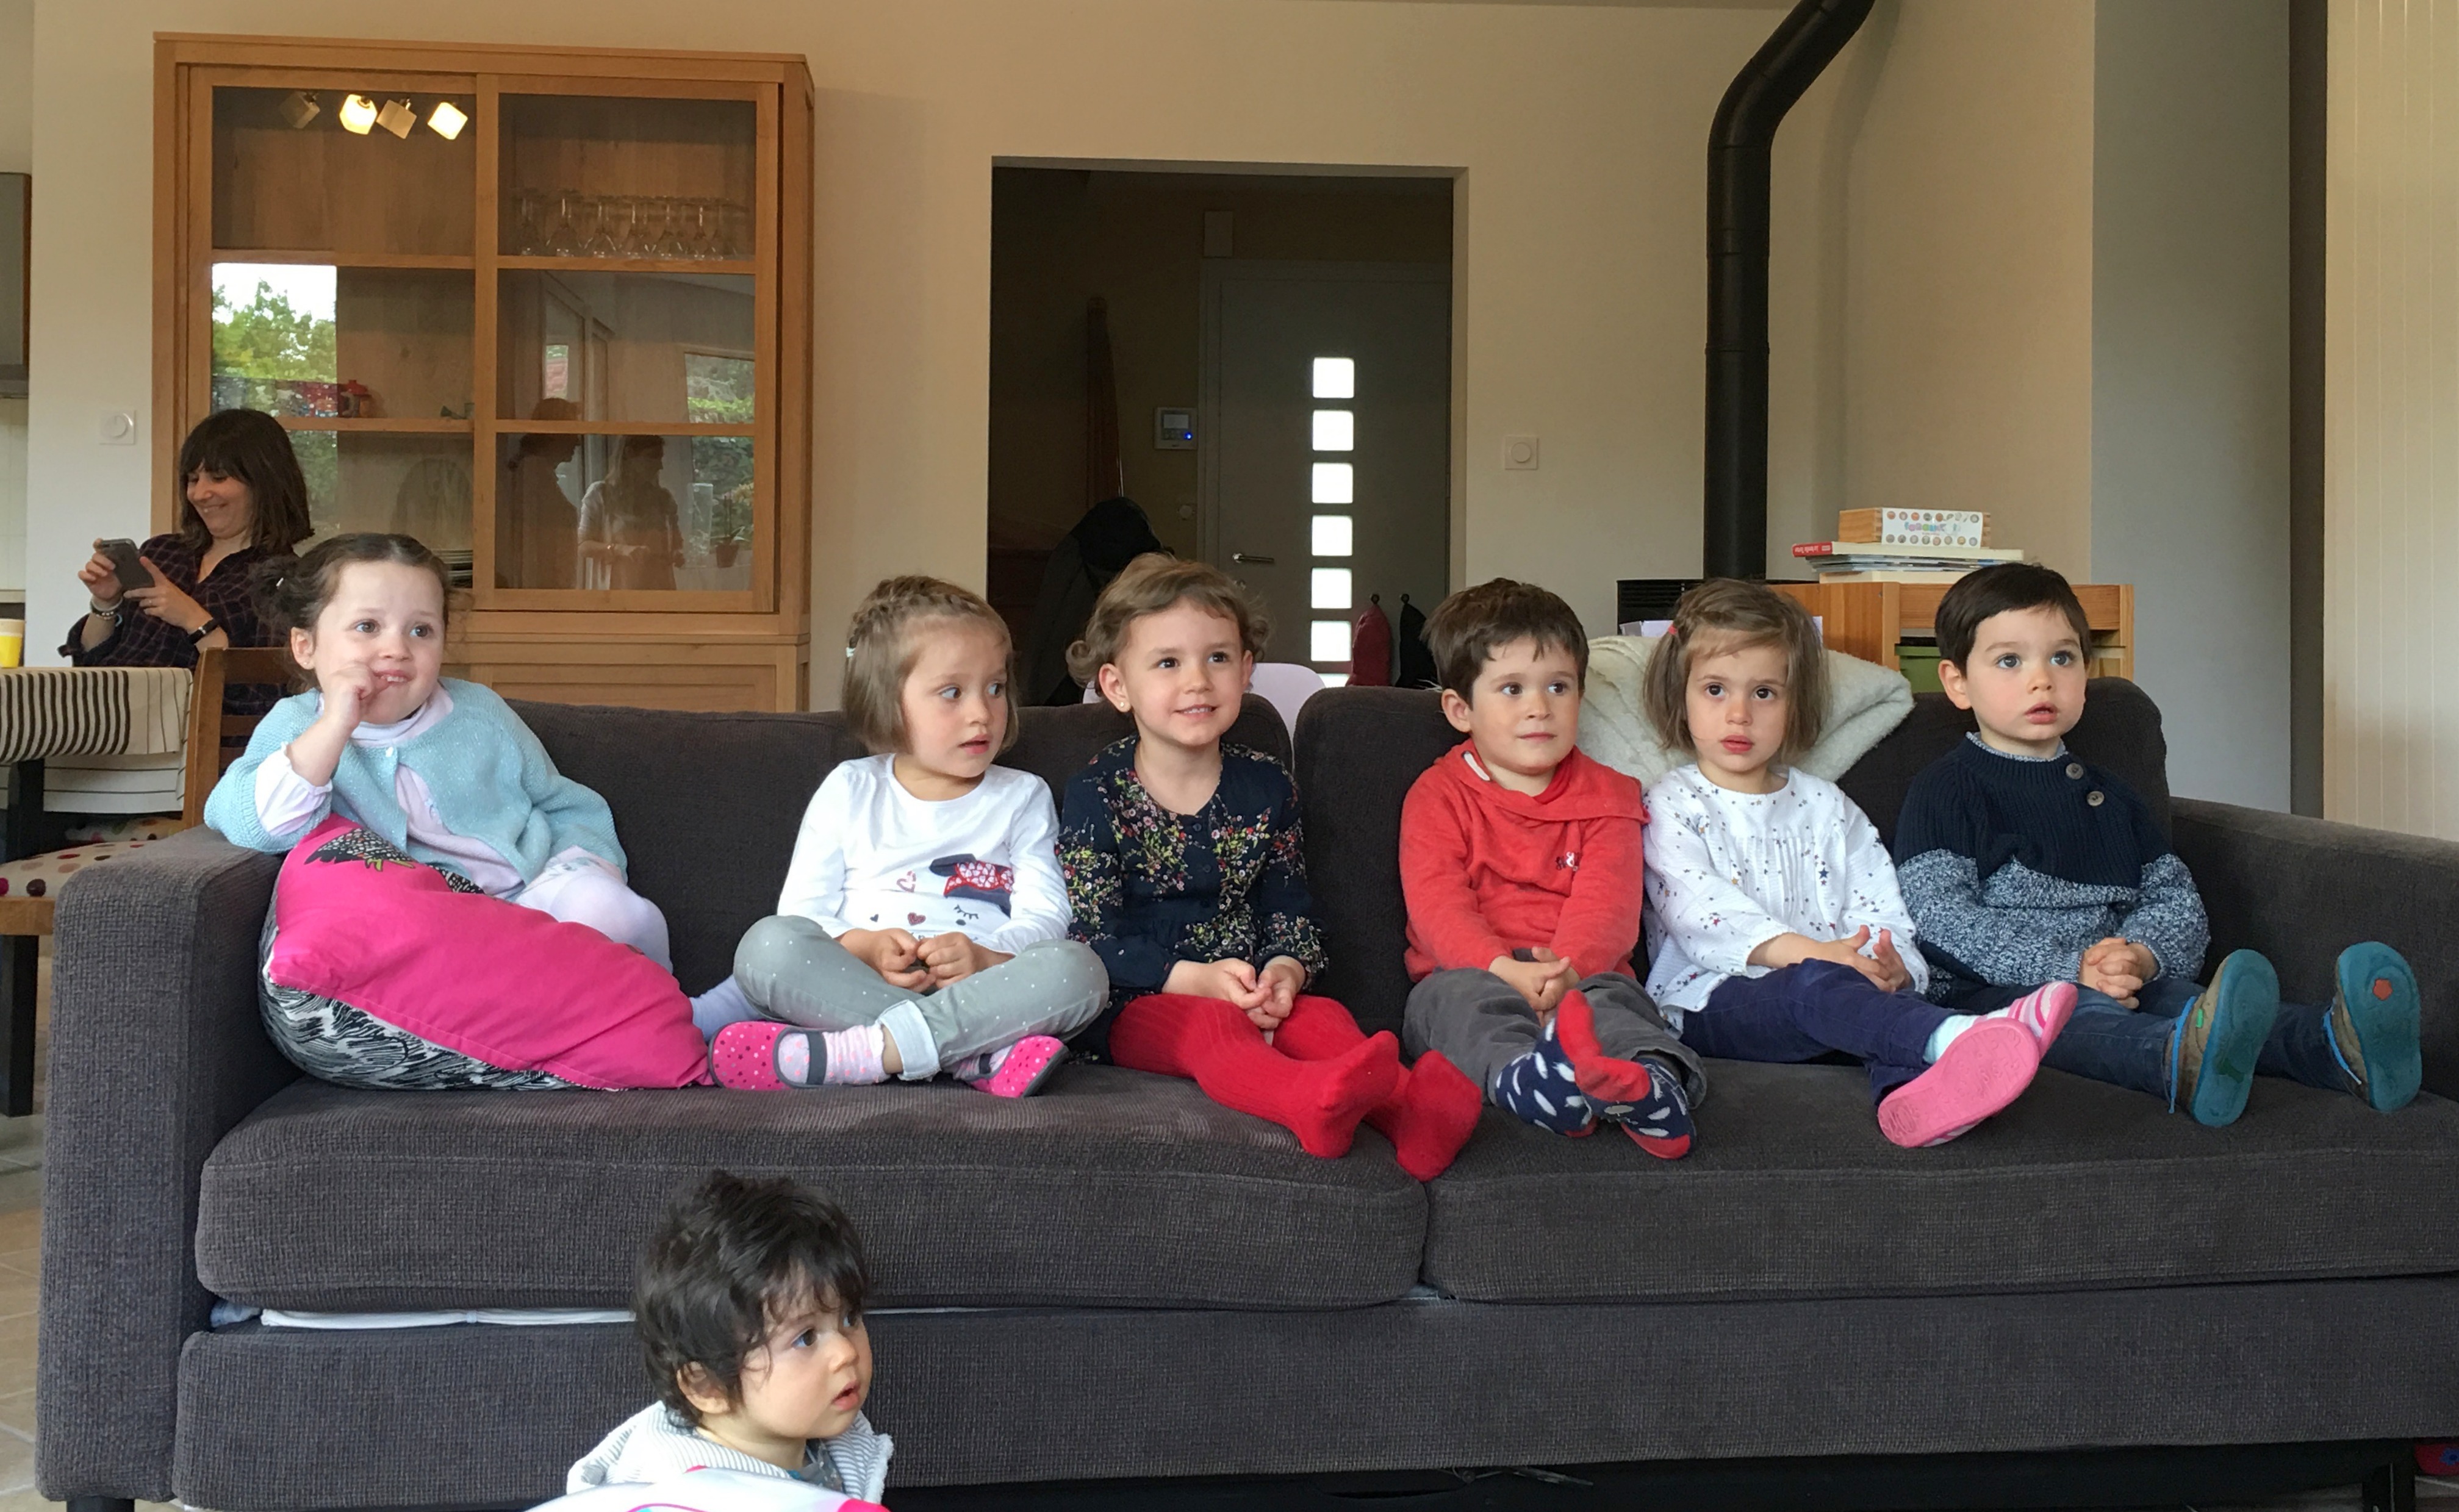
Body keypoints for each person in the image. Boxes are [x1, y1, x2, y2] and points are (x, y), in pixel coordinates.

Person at [1893, 562, 2422, 1125]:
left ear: (2086, 672)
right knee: (2073, 1017)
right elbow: (1937, 915)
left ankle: (2336, 1046)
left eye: (2062, 658)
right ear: (1956, 682)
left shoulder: (2113, 797)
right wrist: (2070, 967)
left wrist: (2141, 957)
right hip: (1991, 992)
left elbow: (2174, 899)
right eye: (2009, 661)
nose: (2041, 679)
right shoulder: (1947, 788)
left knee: (2187, 1002)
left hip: (2122, 976)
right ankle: (2175, 1063)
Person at [1058, 554, 1468, 1173]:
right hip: (1139, 1002)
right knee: (1211, 1033)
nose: (1198, 680)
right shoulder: (1096, 792)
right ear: (1117, 685)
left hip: (1252, 989)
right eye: (1168, 663)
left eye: (1217, 657)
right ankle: (1304, 1102)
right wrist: (1193, 980)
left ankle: (1417, 1113)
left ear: (1246, 670)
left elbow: (1288, 904)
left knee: (1321, 1018)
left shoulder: (1267, 785)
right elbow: (1095, 935)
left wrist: (1283, 970)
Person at [1638, 579, 2079, 1149]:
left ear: (1795, 703)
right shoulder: (1672, 803)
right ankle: (1965, 1036)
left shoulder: (1826, 805)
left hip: (1839, 991)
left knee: (1882, 1001)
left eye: (1765, 692)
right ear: (1681, 697)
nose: (1740, 714)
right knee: (1815, 986)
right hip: (1711, 1001)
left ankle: (1914, 1103)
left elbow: (1880, 906)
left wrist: (1892, 965)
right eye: (1715, 690)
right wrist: (1818, 954)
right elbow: (1702, 913)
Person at [701, 576, 1105, 1098]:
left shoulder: (1023, 795)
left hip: (984, 990)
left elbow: (1047, 916)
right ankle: (971, 1057)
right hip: (862, 985)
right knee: (766, 947)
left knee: (1081, 971)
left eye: (995, 687)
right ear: (888, 702)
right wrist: (865, 948)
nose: (982, 712)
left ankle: (865, 1053)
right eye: (952, 692)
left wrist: (984, 956)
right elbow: (802, 914)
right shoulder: (851, 788)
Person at [203, 532, 670, 966]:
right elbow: (257, 825)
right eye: (367, 626)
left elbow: (564, 804)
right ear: (306, 646)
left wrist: (587, 870)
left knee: (614, 913)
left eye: (421, 631)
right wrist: (335, 725)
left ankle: (672, 1014)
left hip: (536, 891)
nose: (396, 648)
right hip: (429, 927)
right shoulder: (298, 726)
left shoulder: (479, 711)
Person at [1400, 579, 1702, 1159]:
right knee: (1453, 1006)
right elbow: (1438, 904)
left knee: (1618, 1005)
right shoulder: (1436, 795)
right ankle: (1529, 1080)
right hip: (1471, 973)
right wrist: (1502, 969)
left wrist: (1567, 976)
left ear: (1580, 696)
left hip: (1581, 973)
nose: (1539, 707)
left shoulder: (1611, 795)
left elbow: (1608, 907)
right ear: (1460, 710)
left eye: (1557, 686)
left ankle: (1652, 1085)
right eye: (1511, 688)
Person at [568, 1170, 892, 1503]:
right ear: (708, 1387)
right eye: (805, 1338)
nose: (846, 1351)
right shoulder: (678, 1496)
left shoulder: (830, 1446)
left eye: (849, 1318)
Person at [68, 407, 314, 711]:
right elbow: (90, 659)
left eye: (218, 478)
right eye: (193, 479)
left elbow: (265, 694)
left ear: (264, 482)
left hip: (194, 730)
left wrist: (194, 620)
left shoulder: (286, 579)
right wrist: (105, 604)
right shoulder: (161, 553)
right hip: (110, 715)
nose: (199, 494)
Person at [580, 434, 685, 591]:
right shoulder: (600, 494)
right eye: (652, 457)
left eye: (660, 458)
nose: (660, 466)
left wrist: (676, 554)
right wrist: (619, 550)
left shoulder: (663, 498)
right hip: (616, 591)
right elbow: (583, 546)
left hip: (657, 590)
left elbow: (676, 543)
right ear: (629, 454)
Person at [500, 398, 583, 590]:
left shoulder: (537, 473)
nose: (578, 442)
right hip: (539, 593)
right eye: (573, 432)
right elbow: (530, 544)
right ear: (553, 434)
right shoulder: (532, 473)